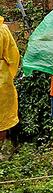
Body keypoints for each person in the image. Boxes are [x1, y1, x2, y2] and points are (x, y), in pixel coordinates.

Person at [0, 17, 18, 148]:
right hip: (2, 79)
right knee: (2, 117)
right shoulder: (3, 29)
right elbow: (13, 56)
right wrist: (10, 74)